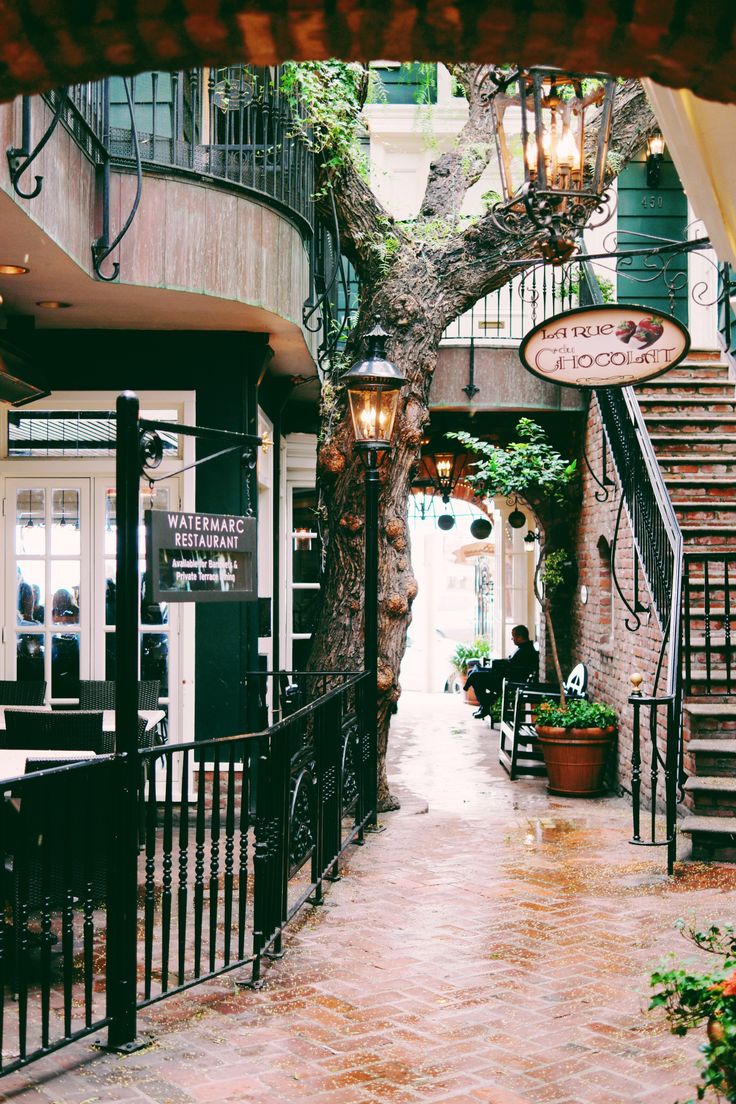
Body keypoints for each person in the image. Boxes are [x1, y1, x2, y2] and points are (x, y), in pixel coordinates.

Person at [464, 625, 538, 720]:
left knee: (475, 676)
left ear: (520, 637)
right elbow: (510, 663)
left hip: (508, 681)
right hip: (504, 676)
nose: (512, 639)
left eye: (513, 636)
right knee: (474, 670)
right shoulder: (523, 648)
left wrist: (496, 665)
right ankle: (485, 704)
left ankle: (485, 706)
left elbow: (512, 667)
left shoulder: (526, 650)